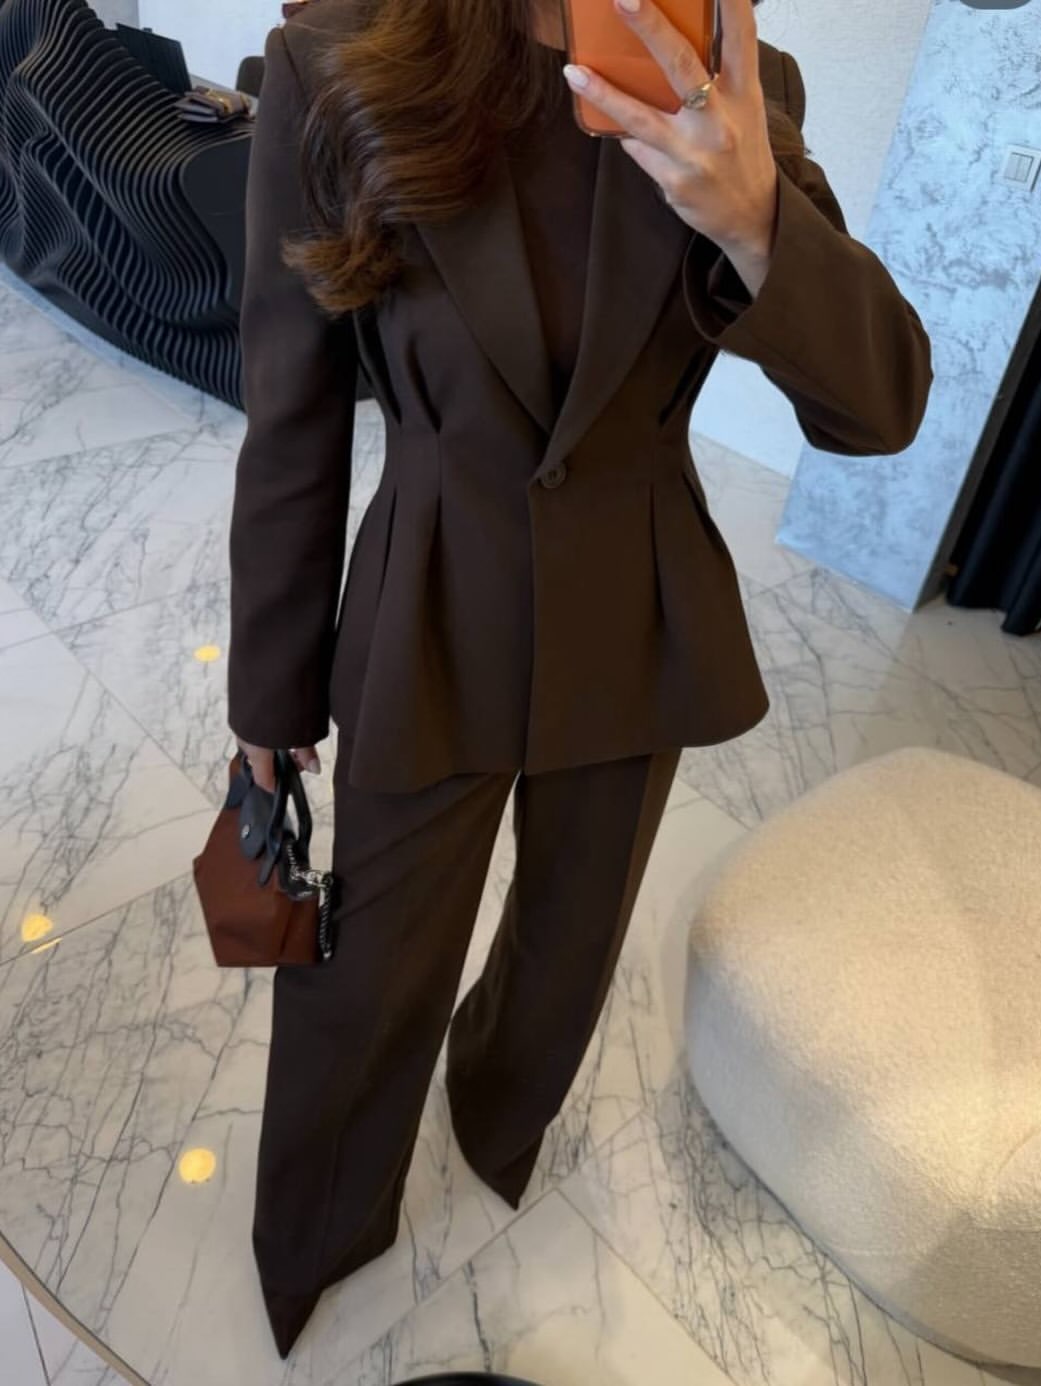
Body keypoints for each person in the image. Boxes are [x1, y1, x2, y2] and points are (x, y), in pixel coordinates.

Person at [227, 0, 933, 1356]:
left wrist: (756, 222)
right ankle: (318, 1228)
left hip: (635, 612)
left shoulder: (736, 84)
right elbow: (291, 414)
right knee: (368, 969)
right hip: (429, 605)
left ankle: (500, 1117)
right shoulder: (338, 58)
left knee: (569, 944)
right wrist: (267, 689)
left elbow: (883, 402)